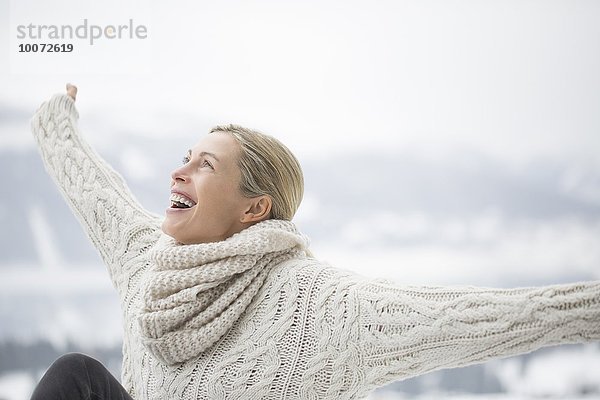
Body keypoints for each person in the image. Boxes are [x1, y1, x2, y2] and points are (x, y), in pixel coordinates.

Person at [29, 84, 600, 400]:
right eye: (183, 160)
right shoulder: (151, 267)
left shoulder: (316, 307)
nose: (179, 173)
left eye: (205, 166)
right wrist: (57, 120)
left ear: (255, 208)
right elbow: (95, 194)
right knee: (76, 379)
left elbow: (467, 318)